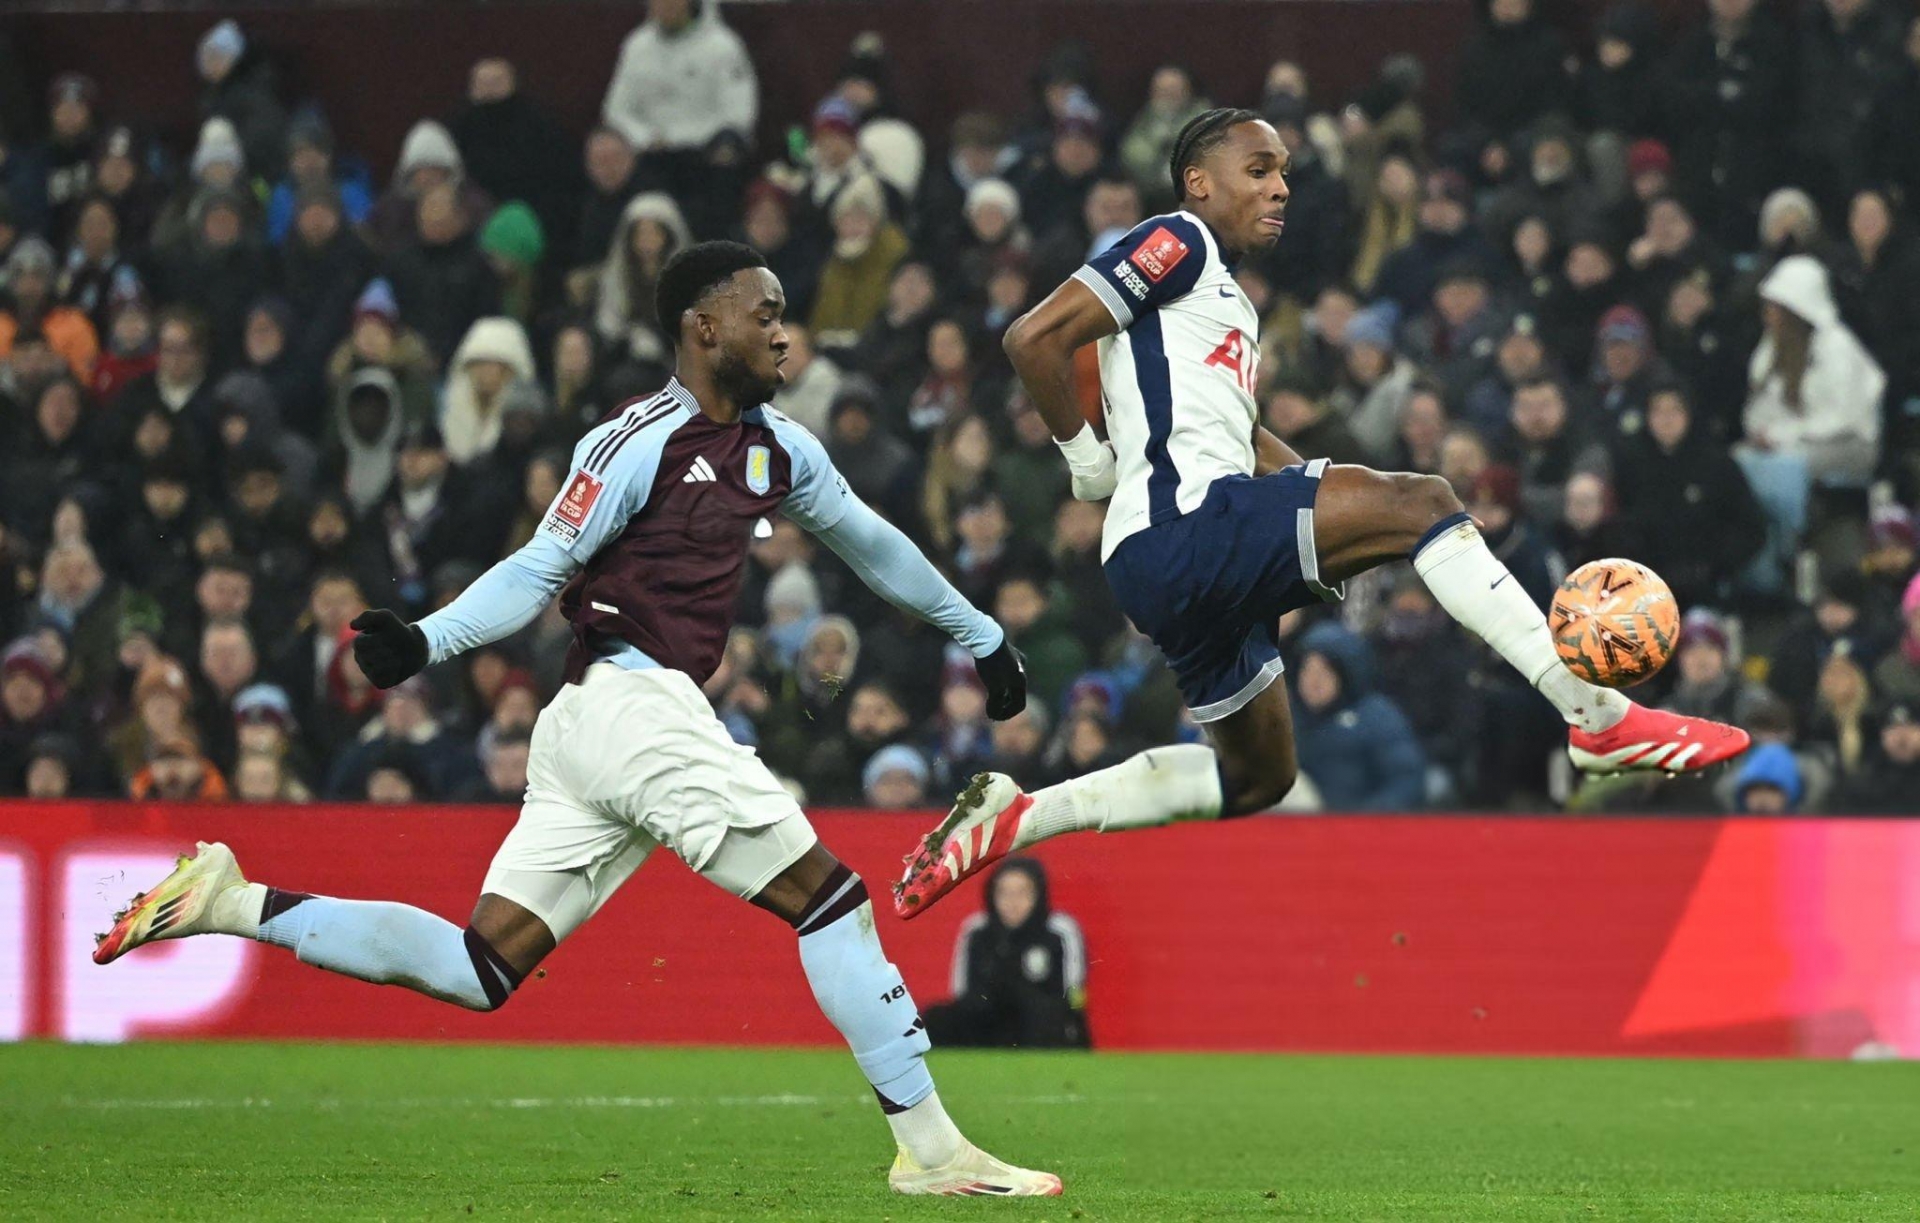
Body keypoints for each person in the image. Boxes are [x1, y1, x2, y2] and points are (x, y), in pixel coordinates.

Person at [95, 241, 1058, 1199]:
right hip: (631, 704)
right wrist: (429, 641)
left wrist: (981, 636)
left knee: (482, 966)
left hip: (595, 727)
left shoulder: (781, 447)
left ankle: (234, 902)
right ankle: (933, 1152)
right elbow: (538, 564)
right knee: (831, 901)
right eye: (762, 312)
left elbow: (872, 543)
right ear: (703, 325)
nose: (781, 330)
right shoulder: (636, 439)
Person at [897, 109, 1749, 917]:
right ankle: (1595, 717)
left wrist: (1332, 512)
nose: (1280, 188)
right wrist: (1085, 456)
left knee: (1257, 777)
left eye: (1286, 173)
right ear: (1196, 179)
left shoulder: (1224, 298)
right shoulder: (1178, 238)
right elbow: (1032, 337)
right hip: (1184, 529)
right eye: (1258, 169)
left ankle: (1018, 816)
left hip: (1174, 558)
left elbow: (1243, 436)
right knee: (1427, 501)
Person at [923, 858, 1090, 1049]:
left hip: (1040, 1024)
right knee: (937, 1018)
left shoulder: (1060, 931)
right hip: (988, 1022)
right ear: (991, 894)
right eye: (1004, 893)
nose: (1013, 902)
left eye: (1022, 892)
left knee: (1050, 1017)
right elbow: (961, 992)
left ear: (1039, 894)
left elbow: (1074, 992)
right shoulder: (976, 930)